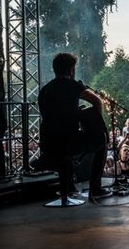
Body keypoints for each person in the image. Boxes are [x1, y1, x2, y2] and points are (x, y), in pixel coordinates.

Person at [38, 53, 112, 201]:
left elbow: (54, 115)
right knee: (101, 140)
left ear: (55, 70)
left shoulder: (45, 90)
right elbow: (97, 101)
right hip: (68, 142)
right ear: (71, 70)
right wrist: (93, 125)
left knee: (65, 147)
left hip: (47, 143)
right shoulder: (72, 85)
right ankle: (96, 189)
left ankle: (69, 189)